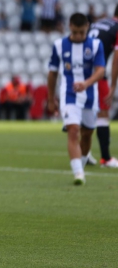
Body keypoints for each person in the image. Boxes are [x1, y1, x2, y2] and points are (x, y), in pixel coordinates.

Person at [47, 13, 105, 185]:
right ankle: (78, 173)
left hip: (89, 95)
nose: (79, 36)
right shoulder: (59, 45)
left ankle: (82, 162)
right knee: (73, 130)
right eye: (75, 32)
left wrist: (86, 84)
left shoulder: (95, 45)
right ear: (69, 26)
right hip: (69, 94)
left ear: (87, 26)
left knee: (87, 134)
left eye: (82, 32)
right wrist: (51, 99)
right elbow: (52, 73)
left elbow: (100, 70)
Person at [86, 5, 118, 167]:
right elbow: (117, 60)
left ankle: (83, 154)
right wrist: (113, 87)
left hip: (80, 72)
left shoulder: (99, 23)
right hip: (97, 73)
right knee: (103, 112)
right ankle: (106, 158)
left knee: (85, 113)